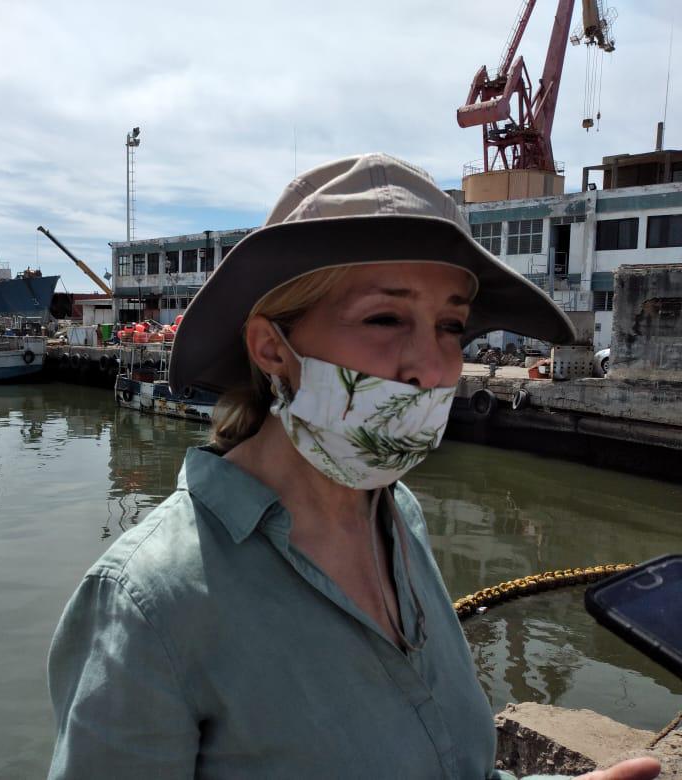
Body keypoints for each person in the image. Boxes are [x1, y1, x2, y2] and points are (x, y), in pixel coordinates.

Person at [46, 154, 661, 780]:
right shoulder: (147, 604)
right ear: (271, 349)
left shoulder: (399, 517)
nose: (432, 365)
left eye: (450, 325)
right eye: (385, 318)